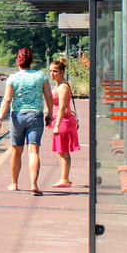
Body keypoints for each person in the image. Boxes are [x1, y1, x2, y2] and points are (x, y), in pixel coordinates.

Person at [0, 47, 54, 195]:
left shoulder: (13, 78)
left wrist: (0, 119)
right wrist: (50, 114)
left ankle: (14, 183)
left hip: (18, 116)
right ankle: (34, 184)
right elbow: (48, 96)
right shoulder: (41, 76)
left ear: (17, 61)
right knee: (33, 151)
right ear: (31, 61)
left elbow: (7, 99)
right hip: (35, 116)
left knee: (16, 151)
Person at [48, 58, 81, 187]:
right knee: (60, 150)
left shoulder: (63, 86)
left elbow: (62, 107)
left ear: (62, 72)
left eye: (55, 71)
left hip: (63, 122)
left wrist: (56, 125)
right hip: (59, 121)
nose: (52, 74)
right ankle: (64, 177)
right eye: (50, 71)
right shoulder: (58, 84)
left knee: (63, 151)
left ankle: (65, 179)